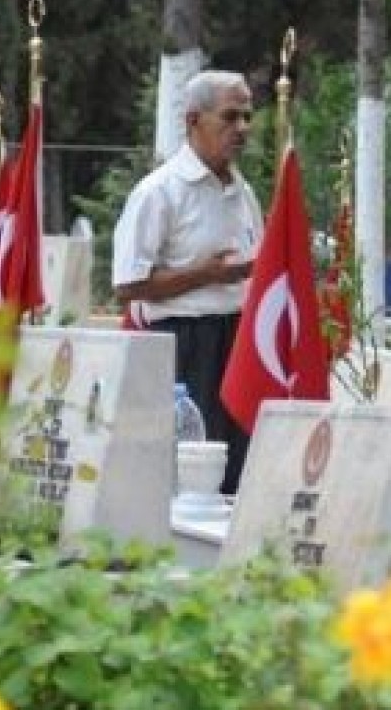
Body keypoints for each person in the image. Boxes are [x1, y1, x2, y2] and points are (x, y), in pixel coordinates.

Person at [111, 70, 262, 495]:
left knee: (237, 457)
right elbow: (127, 285)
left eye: (247, 117)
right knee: (193, 463)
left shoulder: (243, 192)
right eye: (229, 117)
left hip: (237, 338)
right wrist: (207, 275)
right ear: (193, 120)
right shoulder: (159, 192)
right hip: (184, 341)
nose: (242, 129)